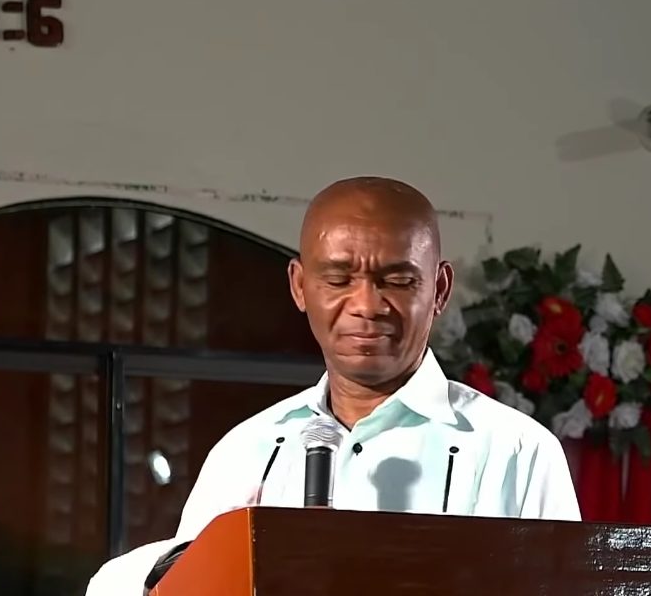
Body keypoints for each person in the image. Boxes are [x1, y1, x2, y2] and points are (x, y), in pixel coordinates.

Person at [84, 177, 580, 595]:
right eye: (339, 279)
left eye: (398, 280)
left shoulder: (517, 450)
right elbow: (173, 585)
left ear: (440, 289)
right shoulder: (246, 450)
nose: (366, 305)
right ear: (300, 286)